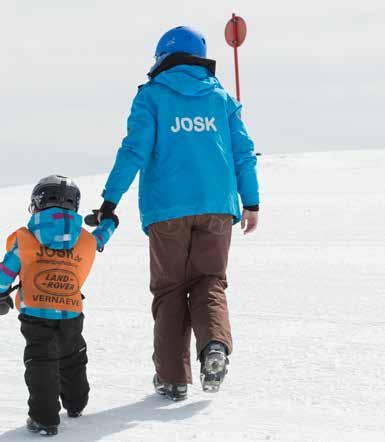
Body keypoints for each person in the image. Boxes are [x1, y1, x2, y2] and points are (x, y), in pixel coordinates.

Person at [88, 26, 260, 400]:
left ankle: (172, 378)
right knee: (210, 282)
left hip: (167, 210)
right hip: (218, 208)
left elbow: (133, 150)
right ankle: (214, 345)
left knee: (170, 291)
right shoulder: (222, 99)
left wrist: (109, 201)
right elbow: (243, 153)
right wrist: (252, 201)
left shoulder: (152, 97)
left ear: (162, 58)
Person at [0, 175, 118, 436]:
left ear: (36, 204)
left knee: (41, 362)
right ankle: (76, 403)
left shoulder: (25, 238)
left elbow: (6, 271)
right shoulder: (84, 240)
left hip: (36, 313)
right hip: (71, 312)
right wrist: (110, 222)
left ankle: (44, 419)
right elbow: (100, 238)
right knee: (73, 355)